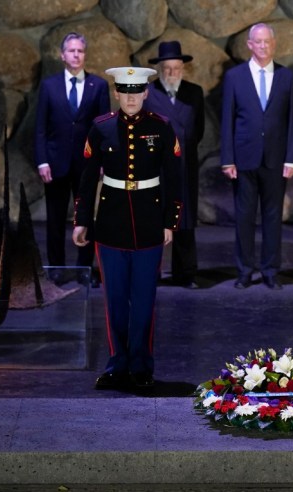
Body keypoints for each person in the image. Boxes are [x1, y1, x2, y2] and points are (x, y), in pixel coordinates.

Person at [72, 66, 183, 391]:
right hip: (110, 225)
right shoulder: (101, 127)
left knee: (144, 299)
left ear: (146, 93)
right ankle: (117, 364)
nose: (131, 97)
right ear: (117, 93)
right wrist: (81, 220)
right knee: (115, 300)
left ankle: (140, 366)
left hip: (149, 224)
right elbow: (88, 176)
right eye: (125, 91)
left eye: (137, 91)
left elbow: (174, 177)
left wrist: (170, 221)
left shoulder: (160, 127)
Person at [220, 23, 293, 290]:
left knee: (273, 217)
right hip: (243, 159)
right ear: (250, 45)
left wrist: (291, 158)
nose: (263, 46)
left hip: (276, 160)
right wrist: (227, 158)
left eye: (267, 41)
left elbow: (292, 121)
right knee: (244, 217)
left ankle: (270, 270)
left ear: (274, 44)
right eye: (258, 41)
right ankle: (244, 271)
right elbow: (228, 119)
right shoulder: (235, 77)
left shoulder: (287, 77)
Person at [34, 32, 110, 286]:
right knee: (55, 218)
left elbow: (103, 129)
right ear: (62, 55)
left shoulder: (97, 86)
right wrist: (42, 161)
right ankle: (55, 267)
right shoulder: (49, 86)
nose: (76, 55)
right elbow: (41, 127)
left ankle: (84, 268)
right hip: (55, 163)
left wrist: (100, 162)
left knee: (85, 216)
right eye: (72, 51)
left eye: (80, 51)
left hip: (86, 164)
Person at [140, 41, 206, 289]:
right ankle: (151, 271)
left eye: (176, 68)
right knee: (155, 219)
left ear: (183, 68)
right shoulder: (148, 92)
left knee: (184, 220)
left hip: (184, 167)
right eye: (167, 68)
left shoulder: (194, 93)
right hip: (156, 168)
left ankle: (186, 273)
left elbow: (198, 130)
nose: (171, 73)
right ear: (159, 69)